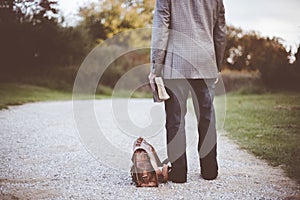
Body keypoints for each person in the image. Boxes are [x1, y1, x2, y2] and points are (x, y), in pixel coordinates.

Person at [149, 0, 226, 183]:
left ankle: (178, 173)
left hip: (176, 63)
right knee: (207, 116)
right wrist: (217, 65)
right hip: (206, 61)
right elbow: (220, 32)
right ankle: (209, 170)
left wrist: (155, 67)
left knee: (175, 119)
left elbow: (161, 29)